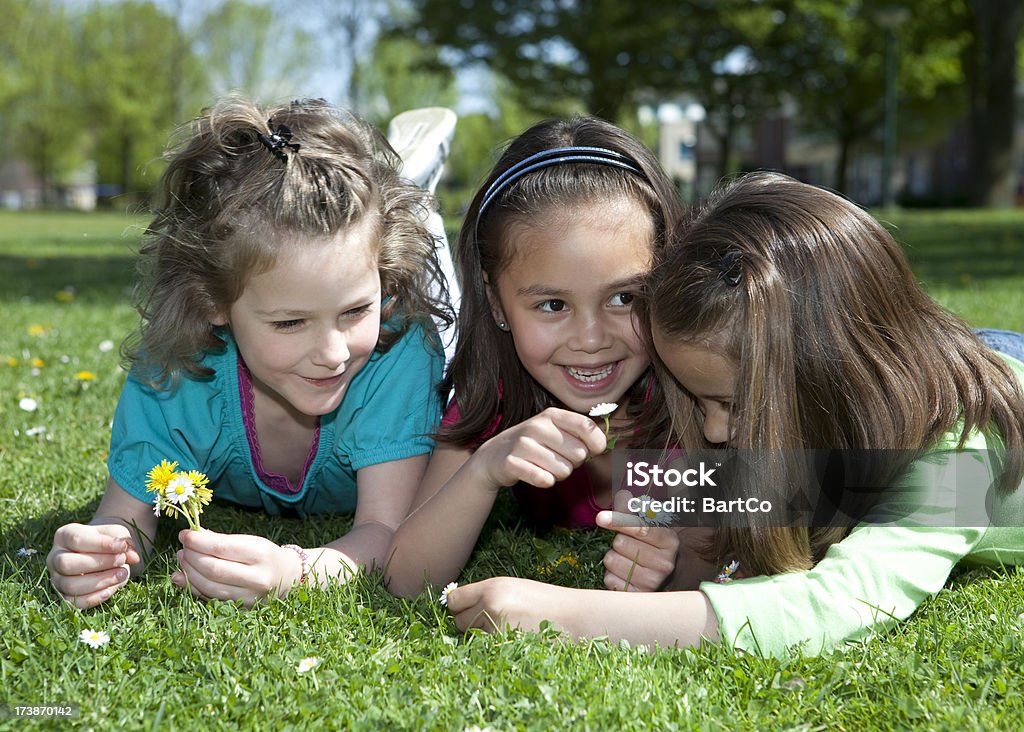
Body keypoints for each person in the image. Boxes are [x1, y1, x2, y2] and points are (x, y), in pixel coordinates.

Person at [440, 172, 1024, 656]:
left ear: (830, 371)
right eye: (699, 401)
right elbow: (714, 523)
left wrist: (565, 612)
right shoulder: (825, 406)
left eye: (731, 405)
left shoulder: (965, 441)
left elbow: (844, 604)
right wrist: (677, 551)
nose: (716, 432)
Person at [47, 96, 453, 609]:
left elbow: (386, 532)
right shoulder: (177, 370)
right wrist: (99, 553)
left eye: (353, 312)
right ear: (212, 301)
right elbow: (126, 522)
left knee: (430, 266)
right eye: (289, 322)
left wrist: (295, 571)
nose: (331, 353)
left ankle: (417, 185)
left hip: (413, 310)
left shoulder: (398, 350)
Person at [384, 116, 687, 598]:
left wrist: (683, 552)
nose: (590, 340)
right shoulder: (495, 395)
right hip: (447, 329)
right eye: (552, 305)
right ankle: (414, 200)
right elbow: (402, 578)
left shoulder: (701, 395)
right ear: (499, 303)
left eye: (625, 298)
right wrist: (484, 469)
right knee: (422, 292)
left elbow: (790, 514)